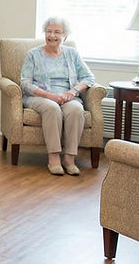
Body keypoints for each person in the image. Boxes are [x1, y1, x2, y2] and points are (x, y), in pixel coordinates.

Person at [20, 17, 95, 176]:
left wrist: (72, 92)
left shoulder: (72, 54)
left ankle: (69, 159)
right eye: (48, 31)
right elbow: (25, 83)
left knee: (76, 109)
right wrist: (49, 95)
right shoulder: (33, 55)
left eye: (57, 32)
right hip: (40, 96)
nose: (52, 35)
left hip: (67, 96)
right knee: (52, 108)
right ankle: (53, 158)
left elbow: (89, 77)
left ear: (65, 36)